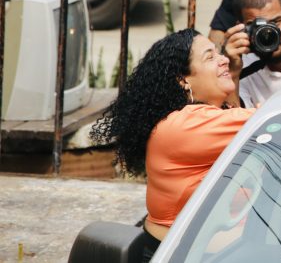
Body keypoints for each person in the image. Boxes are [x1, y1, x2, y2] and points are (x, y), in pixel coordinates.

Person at [91, 29, 254, 256]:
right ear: (183, 79)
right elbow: (273, 120)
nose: (224, 59)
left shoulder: (190, 118)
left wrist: (232, 77)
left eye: (219, 53)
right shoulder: (188, 124)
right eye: (210, 57)